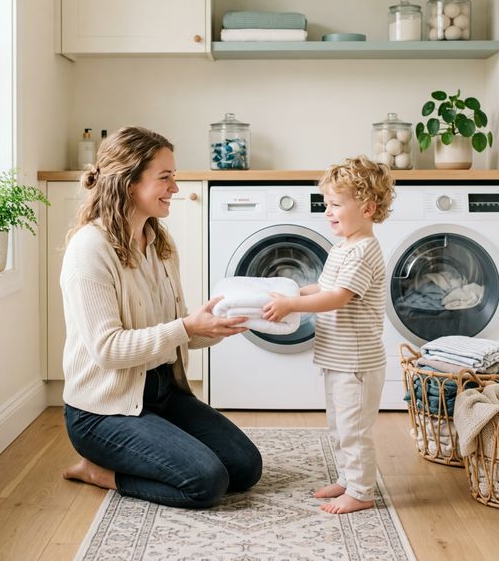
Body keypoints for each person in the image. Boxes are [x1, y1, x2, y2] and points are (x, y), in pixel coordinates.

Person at [60, 126, 262, 508]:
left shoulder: (159, 242)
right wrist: (187, 327)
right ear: (128, 182)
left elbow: (178, 328)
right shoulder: (90, 249)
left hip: (162, 392)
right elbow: (107, 349)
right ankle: (98, 471)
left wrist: (222, 321)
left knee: (246, 468)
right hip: (103, 410)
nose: (175, 187)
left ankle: (157, 443)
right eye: (165, 177)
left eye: (175, 176)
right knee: (206, 482)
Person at [263, 156, 395, 515]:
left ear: (367, 208)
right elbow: (323, 286)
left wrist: (292, 306)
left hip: (356, 363)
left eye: (336, 204)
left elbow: (338, 297)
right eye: (327, 204)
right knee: (338, 427)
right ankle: (348, 479)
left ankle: (362, 491)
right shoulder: (343, 247)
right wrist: (292, 291)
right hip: (338, 358)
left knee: (353, 430)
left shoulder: (363, 252)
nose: (327, 212)